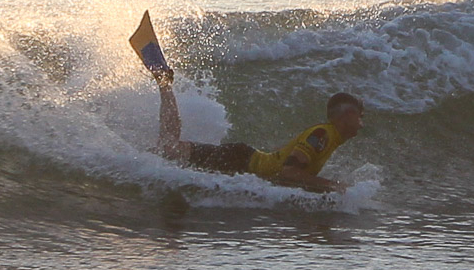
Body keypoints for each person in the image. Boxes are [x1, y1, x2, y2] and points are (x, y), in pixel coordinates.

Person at [154, 69, 363, 193]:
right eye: (359, 115)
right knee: (169, 150)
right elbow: (288, 172)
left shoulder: (328, 136)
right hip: (240, 161)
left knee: (169, 149)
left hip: (244, 158)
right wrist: (332, 186)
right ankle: (164, 83)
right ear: (347, 115)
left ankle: (164, 82)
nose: (362, 122)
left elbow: (283, 159)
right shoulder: (322, 134)